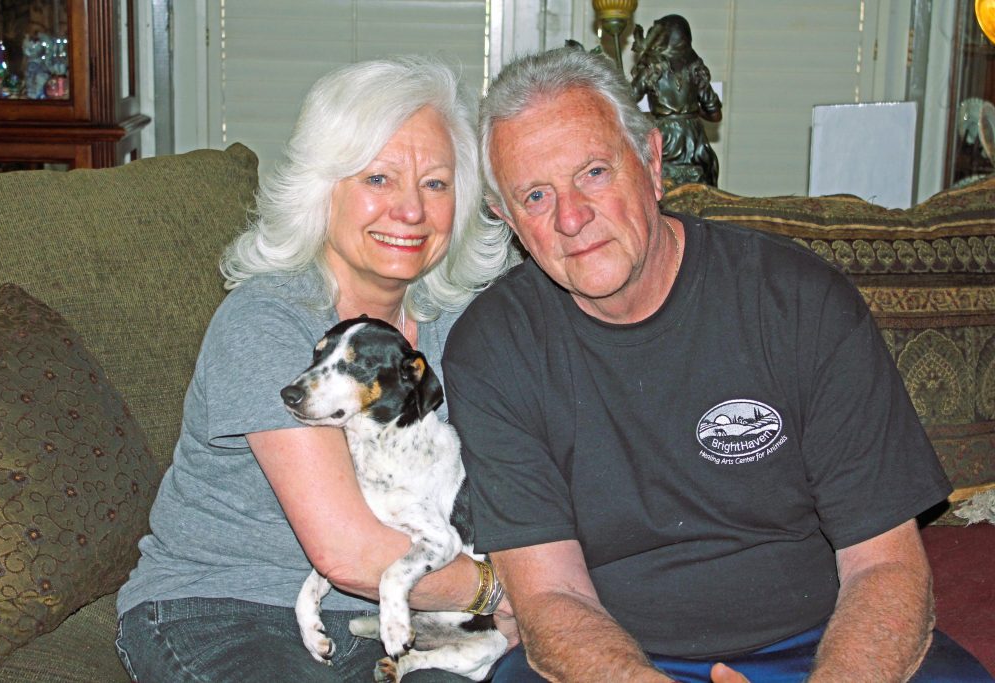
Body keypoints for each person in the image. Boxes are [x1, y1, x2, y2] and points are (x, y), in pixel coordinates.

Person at [442, 46, 994, 683]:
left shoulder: (799, 302)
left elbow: (885, 565)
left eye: (594, 172)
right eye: (535, 195)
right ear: (507, 219)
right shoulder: (492, 350)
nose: (571, 218)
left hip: (824, 638)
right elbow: (550, 597)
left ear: (651, 164)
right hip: (615, 655)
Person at [115, 56, 517, 683]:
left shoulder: (458, 326)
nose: (411, 210)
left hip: (402, 620)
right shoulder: (267, 321)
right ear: (321, 191)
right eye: (379, 178)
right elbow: (350, 552)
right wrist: (502, 595)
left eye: (436, 184)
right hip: (225, 611)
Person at [630, 14, 722, 186]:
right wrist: (692, 111)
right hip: (694, 142)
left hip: (664, 139)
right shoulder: (696, 68)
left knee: (657, 187)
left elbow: (628, 100)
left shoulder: (653, 67)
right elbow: (715, 114)